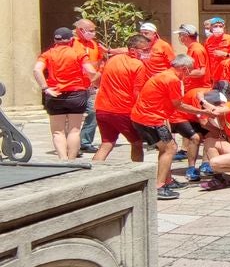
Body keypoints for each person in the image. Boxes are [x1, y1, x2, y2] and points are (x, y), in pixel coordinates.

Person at [130, 55, 214, 200]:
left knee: (166, 148)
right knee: (170, 148)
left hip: (145, 117)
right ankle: (160, 186)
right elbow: (179, 105)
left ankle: (167, 181)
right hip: (150, 119)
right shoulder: (173, 79)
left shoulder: (164, 75)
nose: (190, 74)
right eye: (190, 71)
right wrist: (203, 112)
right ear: (184, 69)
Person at [34, 27, 98, 160]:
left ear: (55, 40)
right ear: (70, 40)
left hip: (55, 94)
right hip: (76, 93)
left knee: (58, 131)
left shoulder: (47, 54)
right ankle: (72, 160)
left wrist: (45, 88)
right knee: (74, 130)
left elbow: (37, 70)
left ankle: (62, 159)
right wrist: (95, 81)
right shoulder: (78, 53)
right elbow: (90, 71)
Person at [93, 33, 149, 163]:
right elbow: (137, 92)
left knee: (107, 144)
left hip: (102, 109)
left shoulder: (112, 60)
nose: (147, 53)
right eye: (144, 50)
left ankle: (91, 172)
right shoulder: (138, 65)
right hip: (123, 111)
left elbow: (97, 80)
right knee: (137, 143)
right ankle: (138, 173)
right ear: (133, 50)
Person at [72, 18, 104, 154]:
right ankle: (72, 145)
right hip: (75, 85)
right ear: (81, 30)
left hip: (90, 85)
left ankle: (85, 141)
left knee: (93, 112)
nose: (93, 33)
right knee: (73, 116)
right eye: (90, 31)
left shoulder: (93, 44)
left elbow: (98, 60)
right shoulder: (71, 43)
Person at [204, 17, 230, 84]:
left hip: (228, 76)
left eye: (220, 26)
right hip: (213, 78)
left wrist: (225, 54)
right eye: (215, 26)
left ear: (224, 27)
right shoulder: (208, 41)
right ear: (211, 28)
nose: (218, 28)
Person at [175, 24, 209, 91]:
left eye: (180, 35)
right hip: (193, 88)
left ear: (186, 36)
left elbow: (201, 72)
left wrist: (181, 73)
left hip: (198, 89)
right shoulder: (192, 48)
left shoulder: (197, 50)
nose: (179, 37)